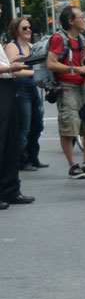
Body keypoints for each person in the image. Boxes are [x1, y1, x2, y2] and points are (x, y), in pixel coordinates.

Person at [47, 6, 85, 179]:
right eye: (81, 17)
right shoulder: (59, 38)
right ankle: (73, 166)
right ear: (71, 21)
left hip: (82, 85)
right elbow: (51, 63)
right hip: (67, 87)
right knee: (69, 127)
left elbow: (81, 61)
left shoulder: (80, 38)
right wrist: (76, 69)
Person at [0, 19, 35, 207]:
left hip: (7, 85)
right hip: (3, 84)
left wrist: (9, 63)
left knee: (11, 142)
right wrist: (8, 68)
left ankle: (11, 190)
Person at [7, 17, 46, 172]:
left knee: (38, 125)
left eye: (29, 27)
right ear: (16, 30)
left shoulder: (31, 46)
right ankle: (22, 161)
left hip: (32, 88)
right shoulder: (12, 47)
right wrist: (33, 73)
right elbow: (13, 69)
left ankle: (33, 157)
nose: (29, 30)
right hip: (20, 89)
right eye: (24, 28)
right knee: (24, 127)